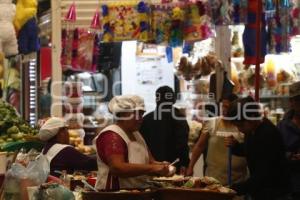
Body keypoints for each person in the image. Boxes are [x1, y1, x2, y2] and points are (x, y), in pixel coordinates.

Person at [94, 95, 173, 191]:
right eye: (136, 114)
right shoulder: (112, 135)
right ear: (122, 114)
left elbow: (149, 162)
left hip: (137, 192)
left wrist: (161, 166)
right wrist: (153, 168)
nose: (140, 118)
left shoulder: (136, 134)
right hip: (114, 195)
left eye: (141, 114)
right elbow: (117, 168)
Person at [225, 96, 291, 200]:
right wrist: (236, 146)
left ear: (251, 117)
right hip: (260, 191)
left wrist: (234, 189)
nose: (239, 129)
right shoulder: (251, 130)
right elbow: (251, 150)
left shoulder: (268, 134)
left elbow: (263, 174)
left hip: (274, 192)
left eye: (241, 125)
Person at [186, 94, 247, 187]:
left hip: (238, 181)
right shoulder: (211, 123)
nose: (224, 109)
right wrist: (190, 167)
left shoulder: (242, 125)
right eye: (223, 106)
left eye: (228, 107)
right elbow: (199, 146)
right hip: (213, 180)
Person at [140, 86, 190, 174]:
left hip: (150, 167)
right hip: (173, 167)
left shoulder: (146, 119)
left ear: (157, 100)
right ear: (173, 100)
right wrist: (185, 163)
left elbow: (142, 144)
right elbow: (182, 144)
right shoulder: (179, 118)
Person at [277, 81, 300, 199]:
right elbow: (275, 151)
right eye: (296, 100)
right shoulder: (282, 126)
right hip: (290, 185)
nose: (298, 103)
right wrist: (290, 155)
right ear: (291, 102)